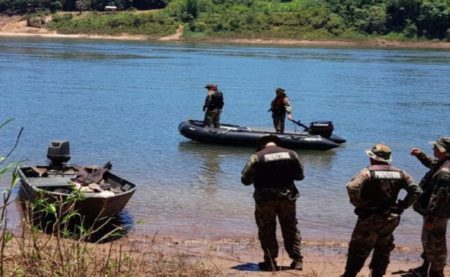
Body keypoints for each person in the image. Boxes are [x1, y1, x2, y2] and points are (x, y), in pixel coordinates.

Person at [342, 144, 421, 277]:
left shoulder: (367, 172)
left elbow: (352, 187)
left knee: (358, 248)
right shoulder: (400, 173)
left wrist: (359, 203)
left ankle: (350, 274)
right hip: (391, 218)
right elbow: (416, 190)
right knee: (383, 248)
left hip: (370, 217)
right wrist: (402, 206)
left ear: (373, 158)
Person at [241, 135, 304, 271]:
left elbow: (245, 180)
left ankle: (270, 261)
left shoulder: (257, 157)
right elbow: (300, 176)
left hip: (265, 199)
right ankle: (297, 260)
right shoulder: (292, 154)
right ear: (277, 143)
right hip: (287, 198)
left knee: (266, 229)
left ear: (262, 144)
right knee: (290, 227)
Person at [409, 137, 450, 277]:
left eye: (435, 147)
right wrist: (420, 155)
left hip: (437, 214)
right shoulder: (443, 162)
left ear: (443, 150)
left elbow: (439, 198)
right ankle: (425, 268)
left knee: (437, 243)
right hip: (432, 213)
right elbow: (432, 163)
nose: (433, 149)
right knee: (427, 240)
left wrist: (431, 217)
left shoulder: (445, 173)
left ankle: (437, 272)